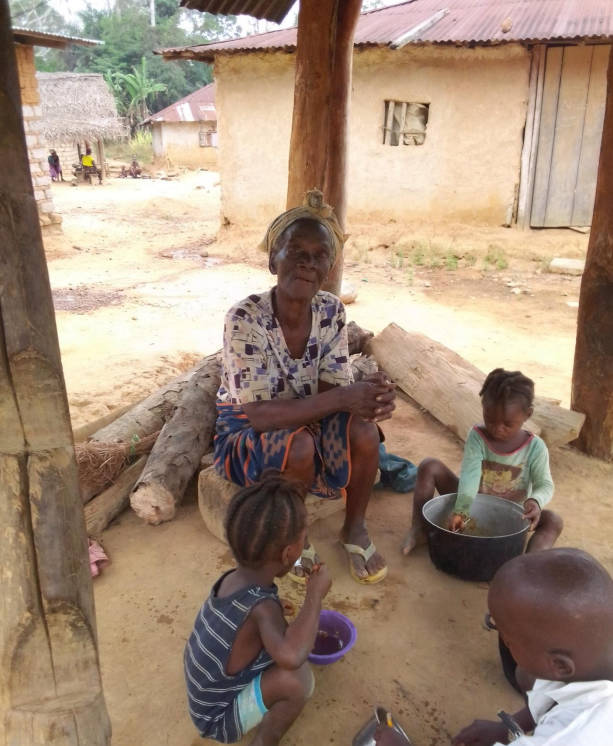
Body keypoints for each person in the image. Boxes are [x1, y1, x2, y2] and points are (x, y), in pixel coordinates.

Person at [214, 189, 396, 584]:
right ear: (272, 260)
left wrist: (369, 398)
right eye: (296, 251)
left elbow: (331, 389)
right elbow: (259, 416)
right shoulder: (245, 318)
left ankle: (354, 527)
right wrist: (344, 397)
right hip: (244, 428)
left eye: (318, 256)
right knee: (298, 446)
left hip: (309, 412)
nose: (307, 263)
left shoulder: (331, 311)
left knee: (365, 432)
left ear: (328, 269)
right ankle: (295, 538)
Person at [374, 548, 613, 746]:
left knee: (526, 675)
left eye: (506, 636)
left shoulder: (573, 736)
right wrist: (508, 727)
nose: (497, 632)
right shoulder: (589, 657)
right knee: (527, 676)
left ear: (559, 665)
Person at [184, 475, 331, 745]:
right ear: (287, 554)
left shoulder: (235, 579)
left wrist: (276, 610)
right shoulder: (262, 609)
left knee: (284, 643)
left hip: (204, 697)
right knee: (299, 680)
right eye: (304, 540)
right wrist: (315, 595)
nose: (305, 546)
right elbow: (292, 656)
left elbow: (240, 623)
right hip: (217, 718)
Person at [402, 368, 562, 555]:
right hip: (472, 502)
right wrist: (461, 511)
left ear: (528, 414)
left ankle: (529, 562)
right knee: (429, 466)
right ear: (483, 407)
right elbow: (470, 477)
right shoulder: (477, 436)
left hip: (513, 514)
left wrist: (535, 501)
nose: (497, 429)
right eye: (490, 420)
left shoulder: (535, 447)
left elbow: (545, 484)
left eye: (507, 424)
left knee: (553, 521)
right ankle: (420, 529)